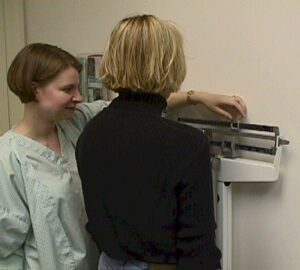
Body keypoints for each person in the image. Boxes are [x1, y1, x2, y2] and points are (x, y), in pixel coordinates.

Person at [0, 38, 245, 270]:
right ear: (36, 90)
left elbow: (135, 108)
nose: (79, 96)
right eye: (68, 89)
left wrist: (196, 97)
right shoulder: (10, 158)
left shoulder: (77, 122)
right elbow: (6, 248)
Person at [75, 15, 246, 270]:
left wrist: (195, 97)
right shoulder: (186, 144)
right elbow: (197, 249)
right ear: (171, 63)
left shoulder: (91, 132)